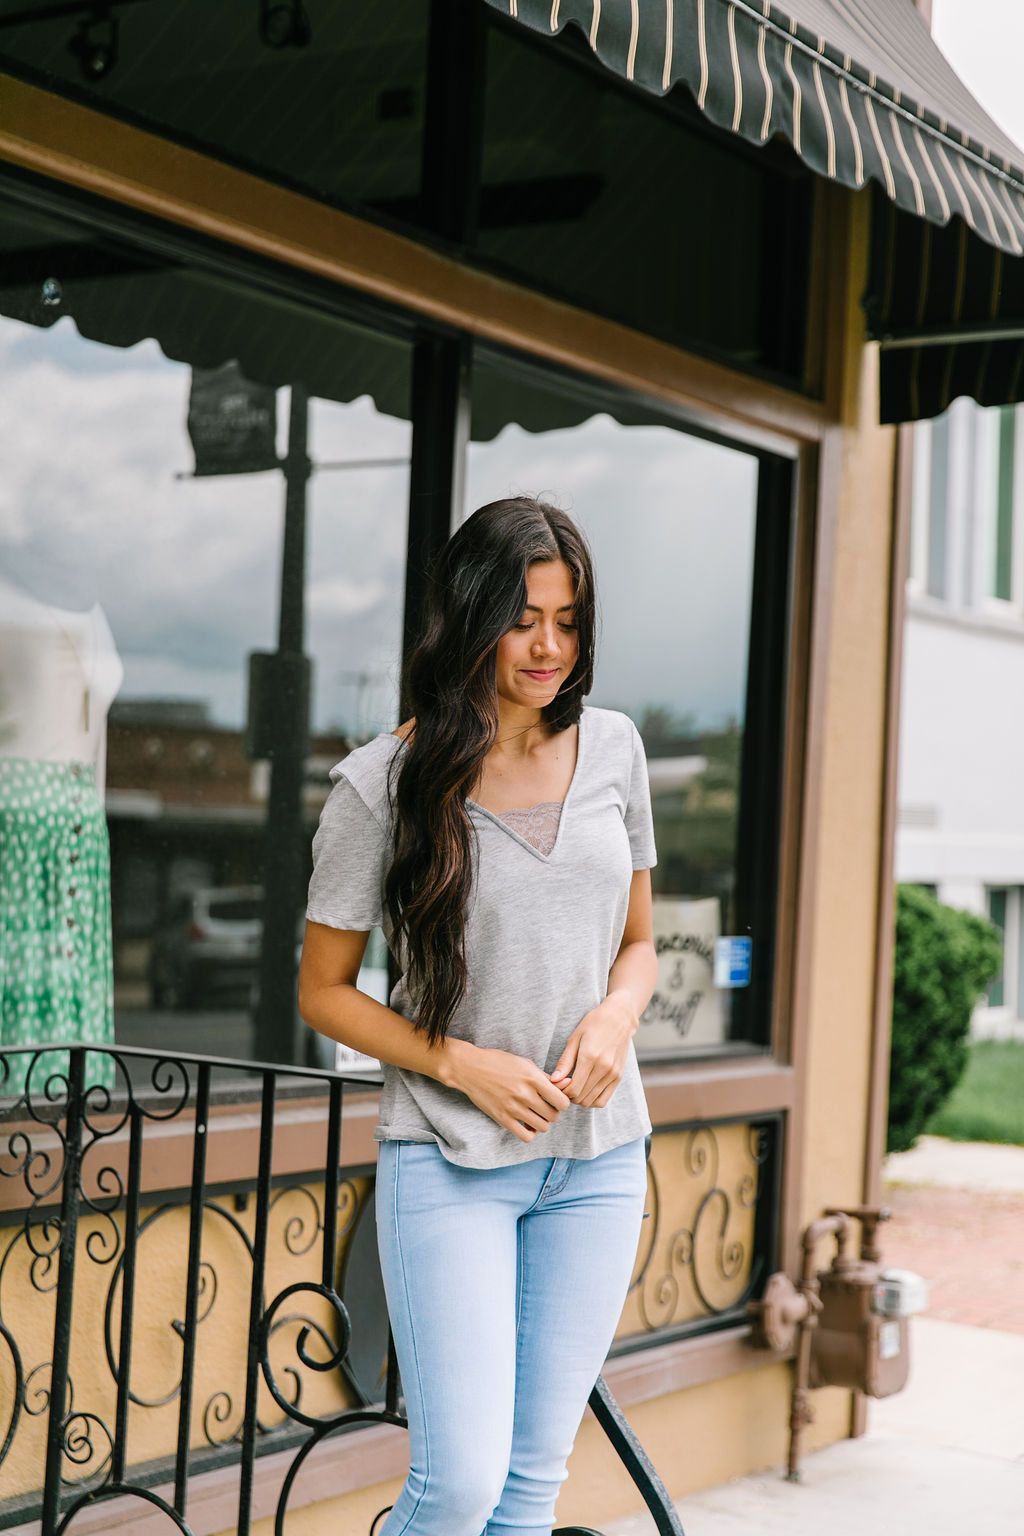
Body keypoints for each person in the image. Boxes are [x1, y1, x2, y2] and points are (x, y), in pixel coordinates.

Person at [298, 496, 659, 1536]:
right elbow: (322, 991)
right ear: (469, 617)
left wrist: (613, 1020)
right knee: (456, 1485)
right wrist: (461, 1064)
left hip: (593, 1159)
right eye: (522, 617)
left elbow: (638, 943)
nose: (548, 646)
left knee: (529, 1488)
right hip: (452, 1161)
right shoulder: (383, 786)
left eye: (567, 619)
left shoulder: (615, 750)